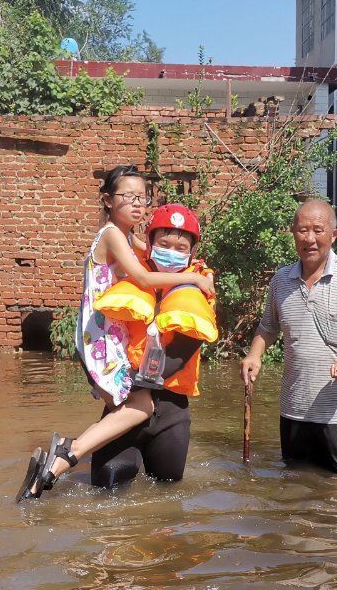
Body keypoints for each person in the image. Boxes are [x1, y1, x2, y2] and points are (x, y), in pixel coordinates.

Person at [16, 167, 215, 500]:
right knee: (140, 407)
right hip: (101, 330)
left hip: (119, 345)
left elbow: (148, 247)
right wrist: (194, 279)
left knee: (129, 405)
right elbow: (145, 276)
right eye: (129, 197)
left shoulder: (127, 238)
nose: (138, 204)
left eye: (143, 198)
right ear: (107, 200)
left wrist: (193, 271)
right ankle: (68, 453)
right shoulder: (111, 234)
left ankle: (65, 457)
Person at [240, 200, 337, 475]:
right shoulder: (280, 281)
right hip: (295, 412)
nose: (310, 239)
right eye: (303, 230)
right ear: (292, 233)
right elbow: (268, 327)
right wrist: (254, 355)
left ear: (334, 235)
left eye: (318, 230)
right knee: (298, 491)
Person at [90, 204, 216, 488]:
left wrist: (131, 383)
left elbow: (178, 357)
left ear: (192, 252)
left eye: (180, 247)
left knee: (167, 496)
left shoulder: (201, 289)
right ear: (150, 244)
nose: (171, 251)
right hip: (125, 405)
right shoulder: (130, 274)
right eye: (164, 244)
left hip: (169, 409)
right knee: (106, 489)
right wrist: (100, 378)